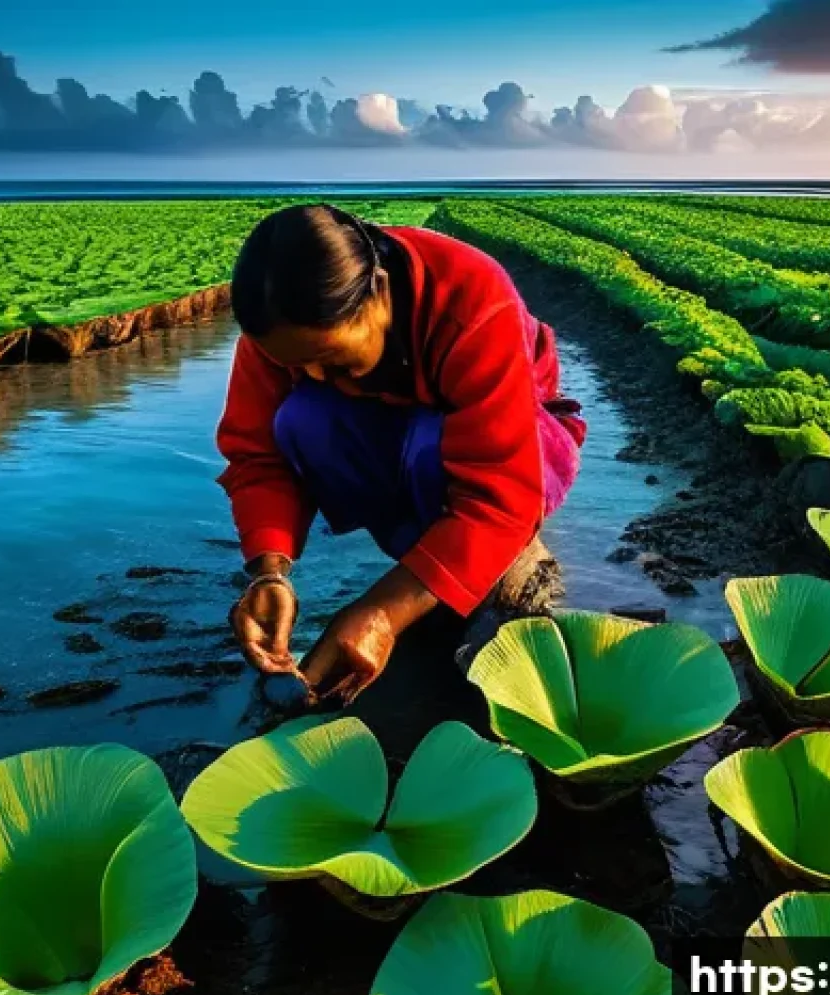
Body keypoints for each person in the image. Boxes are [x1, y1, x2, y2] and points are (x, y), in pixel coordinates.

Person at [217, 203, 586, 705]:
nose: (317, 378)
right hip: (397, 431)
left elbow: (499, 491)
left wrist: (381, 613)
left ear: (382, 293)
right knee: (302, 419)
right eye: (298, 365)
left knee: (431, 452)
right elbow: (257, 456)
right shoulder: (282, 326)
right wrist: (269, 572)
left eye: (329, 359)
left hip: (526, 442)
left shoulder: (472, 297)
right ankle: (433, 577)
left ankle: (480, 575)